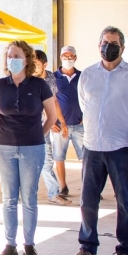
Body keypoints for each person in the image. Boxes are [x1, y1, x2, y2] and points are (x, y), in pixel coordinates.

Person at [67, 26, 128, 255]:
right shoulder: (88, 75)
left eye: (113, 43)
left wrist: (124, 129)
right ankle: (87, 247)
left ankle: (125, 251)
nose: (108, 47)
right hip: (92, 147)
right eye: (104, 42)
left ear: (122, 48)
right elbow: (85, 106)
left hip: (122, 148)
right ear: (98, 46)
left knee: (125, 201)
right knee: (88, 201)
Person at [0, 41, 56, 255]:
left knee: (29, 198)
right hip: (4, 147)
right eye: (9, 56)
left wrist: (37, 135)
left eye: (16, 56)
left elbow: (51, 117)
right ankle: (10, 245)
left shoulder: (39, 85)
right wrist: (8, 133)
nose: (11, 60)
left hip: (32, 148)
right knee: (8, 198)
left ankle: (29, 245)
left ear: (26, 59)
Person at [33, 50, 71, 205]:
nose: (32, 67)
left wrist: (59, 121)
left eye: (35, 64)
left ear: (44, 64)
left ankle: (53, 193)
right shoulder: (26, 79)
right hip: (29, 125)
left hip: (44, 125)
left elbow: (54, 101)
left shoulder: (49, 77)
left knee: (47, 160)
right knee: (30, 161)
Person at [52, 45, 85, 197]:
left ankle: (88, 187)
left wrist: (86, 117)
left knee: (86, 158)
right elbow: (47, 101)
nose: (67, 59)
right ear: (60, 58)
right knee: (59, 157)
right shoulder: (53, 78)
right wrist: (51, 121)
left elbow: (90, 97)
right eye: (65, 56)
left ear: (76, 58)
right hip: (60, 125)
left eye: (70, 56)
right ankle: (63, 186)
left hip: (80, 125)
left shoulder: (83, 76)